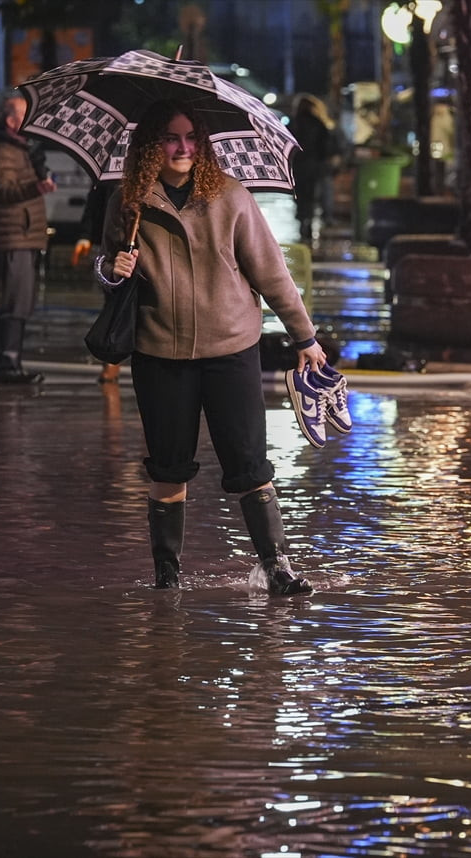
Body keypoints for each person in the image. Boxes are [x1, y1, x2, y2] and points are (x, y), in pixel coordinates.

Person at [99, 99, 328, 595]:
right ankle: (167, 576)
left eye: (190, 138)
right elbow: (105, 270)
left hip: (230, 349)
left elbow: (272, 272)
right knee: (168, 466)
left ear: (201, 144)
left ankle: (277, 567)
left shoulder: (229, 196)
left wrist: (304, 336)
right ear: (150, 145)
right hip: (160, 352)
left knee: (249, 463)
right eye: (169, 138)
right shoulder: (129, 202)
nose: (181, 148)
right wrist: (111, 269)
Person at [0, 90, 56, 384]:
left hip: (23, 234)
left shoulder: (22, 148)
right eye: (26, 117)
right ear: (12, 121)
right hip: (14, 235)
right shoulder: (2, 150)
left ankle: (12, 364)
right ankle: (8, 366)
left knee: (22, 301)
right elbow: (0, 191)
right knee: (15, 301)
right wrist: (35, 189)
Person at [71, 180, 122, 384]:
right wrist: (85, 235)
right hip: (117, 243)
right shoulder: (115, 170)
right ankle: (111, 360)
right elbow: (96, 199)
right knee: (113, 304)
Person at [288, 93, 337, 244]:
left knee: (300, 195)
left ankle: (303, 220)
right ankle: (308, 220)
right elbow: (326, 146)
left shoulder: (293, 124)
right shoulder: (318, 124)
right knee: (311, 195)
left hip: (298, 166)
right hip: (314, 166)